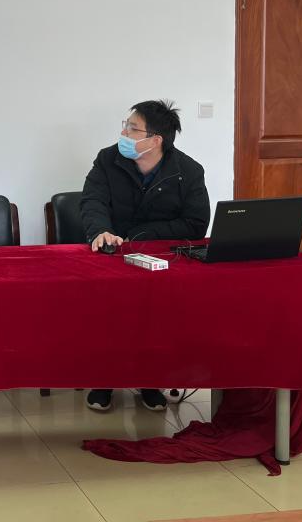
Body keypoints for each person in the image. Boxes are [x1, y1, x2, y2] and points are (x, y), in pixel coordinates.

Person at [80, 99, 211, 412]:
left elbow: (196, 223)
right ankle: (104, 380)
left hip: (160, 259)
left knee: (156, 314)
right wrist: (100, 231)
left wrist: (142, 235)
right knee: (109, 312)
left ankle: (150, 380)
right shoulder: (108, 159)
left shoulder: (188, 171)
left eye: (132, 128)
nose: (123, 133)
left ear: (155, 141)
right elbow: (92, 201)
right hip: (112, 254)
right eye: (125, 126)